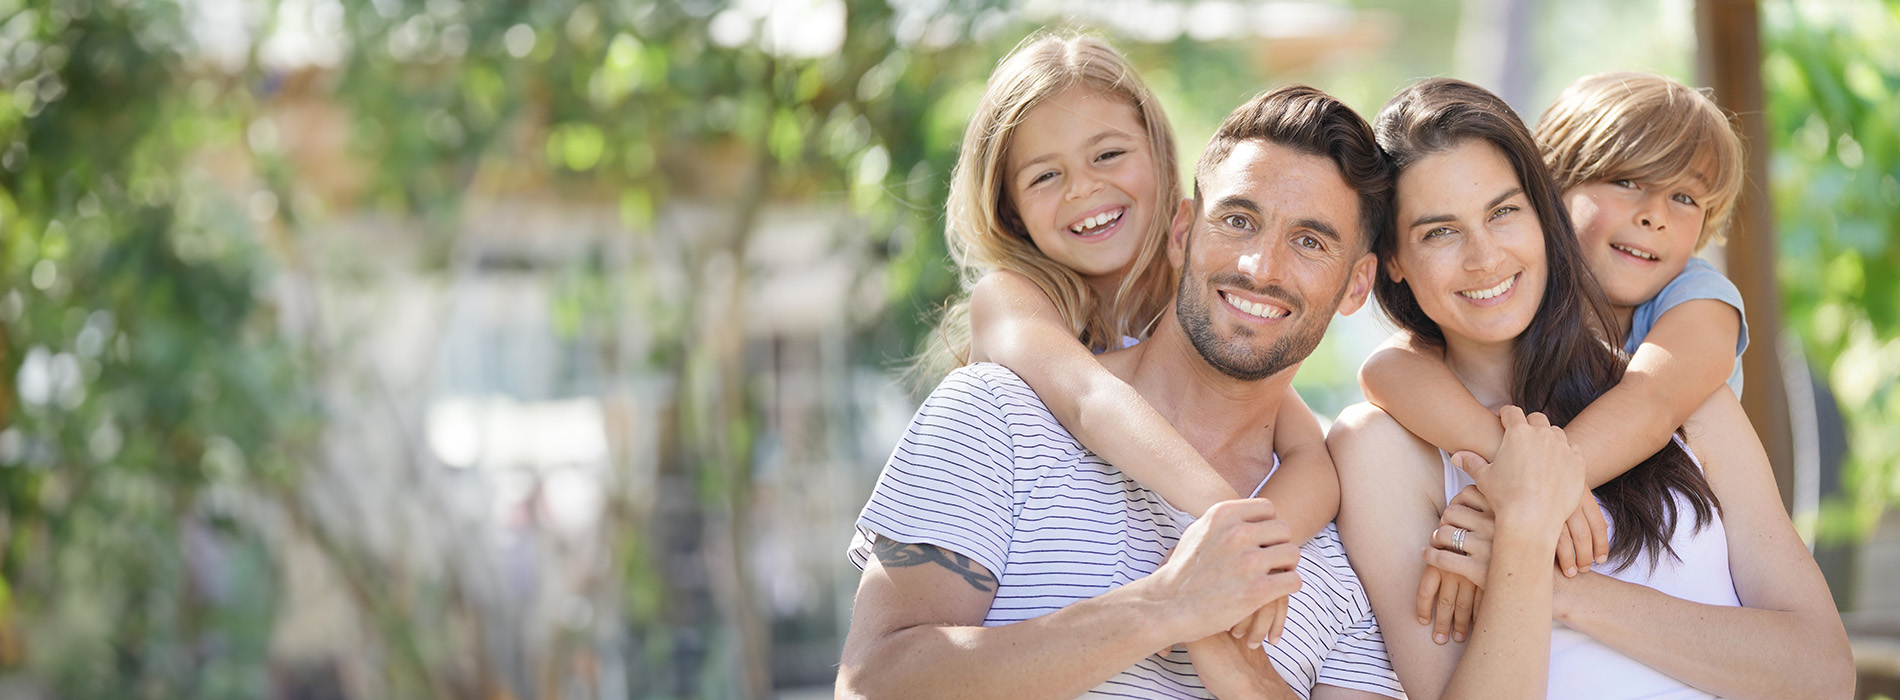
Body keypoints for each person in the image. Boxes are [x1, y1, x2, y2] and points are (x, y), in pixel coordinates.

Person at [839, 84, 1403, 700]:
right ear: (1183, 231)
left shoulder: (1345, 545)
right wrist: (1159, 608)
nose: (1260, 267)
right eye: (1238, 220)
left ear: (1357, 286)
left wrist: (1236, 665)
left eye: (1309, 241)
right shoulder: (995, 415)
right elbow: (871, 687)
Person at [1329, 78, 1853, 700]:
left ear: (1541, 215)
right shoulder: (1382, 445)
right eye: (1439, 231)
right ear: (1391, 259)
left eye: (1503, 212)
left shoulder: (1685, 390)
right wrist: (1527, 520)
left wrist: (1556, 578)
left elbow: (1823, 673)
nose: (1484, 256)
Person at [914, 31, 1345, 646]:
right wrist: (1228, 527)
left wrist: (1259, 558)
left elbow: (1311, 458)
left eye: (1108, 155)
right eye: (1044, 176)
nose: (1082, 189)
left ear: (1159, 156)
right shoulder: (1010, 300)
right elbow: (1091, 401)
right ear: (1010, 210)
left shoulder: (1203, 294)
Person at [1358, 72, 1753, 643]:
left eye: (1685, 197)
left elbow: (1650, 403)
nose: (1654, 214)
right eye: (1626, 179)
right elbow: (1387, 369)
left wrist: (1519, 496)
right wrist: (1516, 478)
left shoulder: (1698, 301)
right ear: (1553, 190)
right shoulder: (1519, 307)